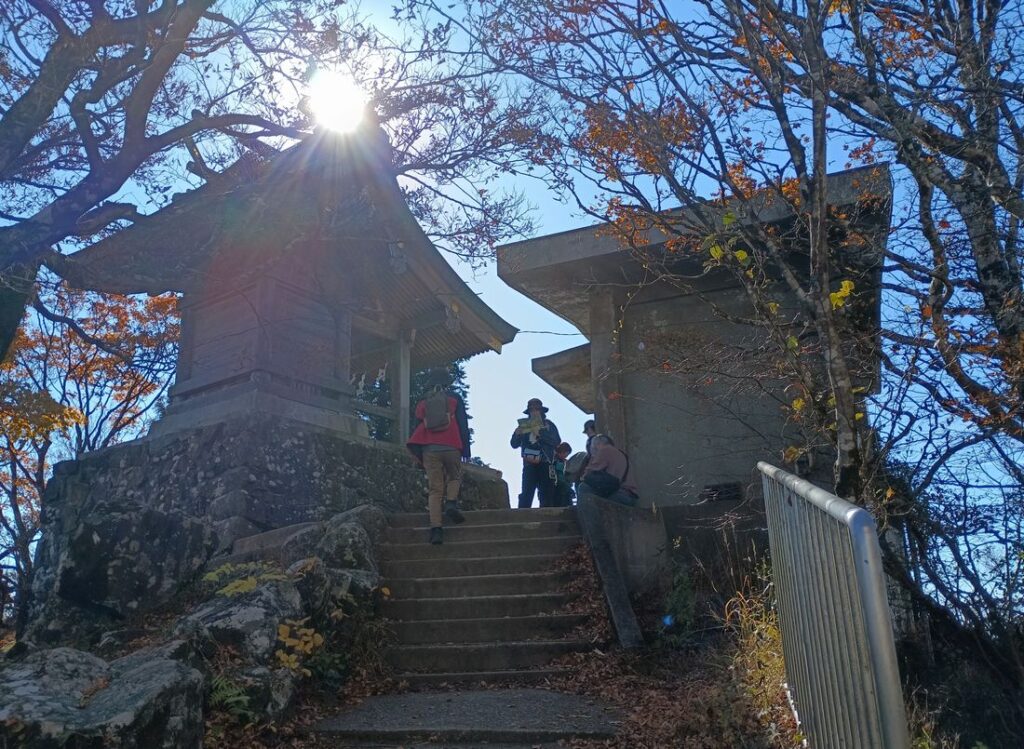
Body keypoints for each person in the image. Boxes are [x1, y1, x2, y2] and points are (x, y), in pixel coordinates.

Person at [407, 368, 470, 544]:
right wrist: (466, 450)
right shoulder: (454, 399)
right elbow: (463, 423)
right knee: (454, 476)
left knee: (435, 489)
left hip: (430, 448)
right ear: (447, 382)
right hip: (452, 445)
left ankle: (436, 530)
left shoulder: (423, 402)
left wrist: (416, 452)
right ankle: (451, 503)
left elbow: (416, 425)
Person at [510, 398, 561, 508]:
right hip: (529, 462)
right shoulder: (524, 426)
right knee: (526, 493)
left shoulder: (548, 425)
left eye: (536, 409)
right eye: (532, 410)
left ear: (541, 411)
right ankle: (523, 518)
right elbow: (514, 444)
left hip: (545, 462)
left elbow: (556, 441)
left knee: (546, 494)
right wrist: (517, 434)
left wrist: (540, 434)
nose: (534, 412)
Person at [577, 434, 639, 506]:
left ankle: (587, 517)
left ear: (597, 444)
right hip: (630, 496)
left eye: (593, 447)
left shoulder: (605, 450)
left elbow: (588, 473)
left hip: (618, 495)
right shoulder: (621, 454)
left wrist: (592, 458)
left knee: (583, 487)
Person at [552, 442, 575, 507]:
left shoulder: (565, 462)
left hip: (566, 488)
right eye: (565, 454)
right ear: (561, 452)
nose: (566, 456)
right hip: (557, 488)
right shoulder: (554, 461)